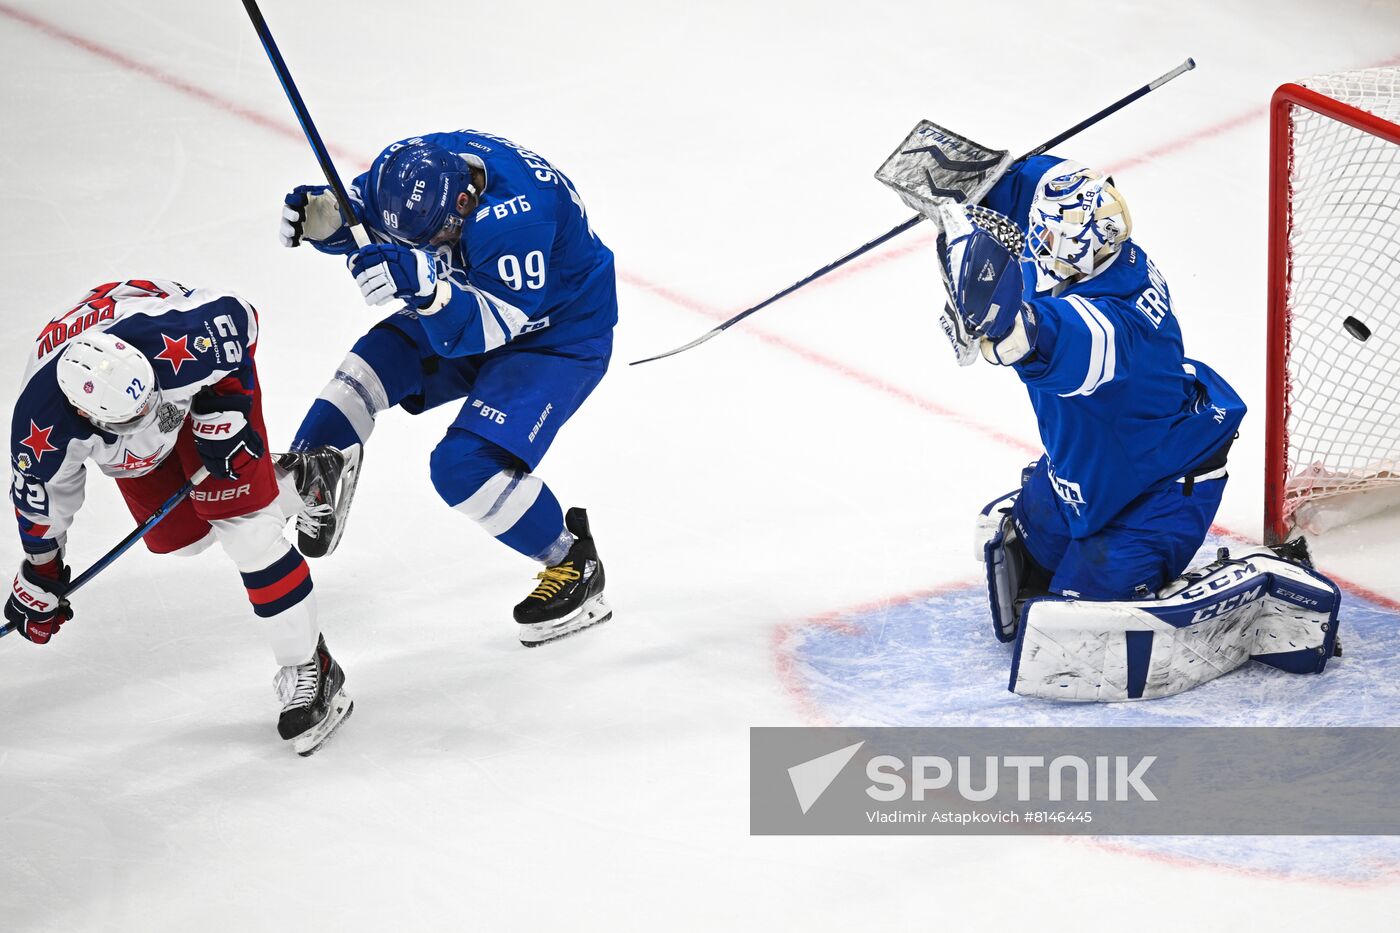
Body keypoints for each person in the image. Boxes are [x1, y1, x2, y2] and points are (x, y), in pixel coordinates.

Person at [277, 130, 615, 646]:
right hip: (468, 300)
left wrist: (427, 287)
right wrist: (330, 223)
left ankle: (573, 562)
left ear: (465, 199)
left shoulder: (520, 218)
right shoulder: (411, 169)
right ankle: (318, 470)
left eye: (437, 237)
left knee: (462, 469)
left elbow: (484, 332)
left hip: (554, 336)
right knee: (363, 373)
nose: (430, 247)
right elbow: (369, 219)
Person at [6, 279, 352, 755]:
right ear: (87, 417)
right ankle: (301, 479)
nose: (152, 415)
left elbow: (241, 316)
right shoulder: (40, 430)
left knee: (246, 532)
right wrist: (42, 574)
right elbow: (42, 506)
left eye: (147, 399)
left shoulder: (169, 340)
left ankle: (310, 665)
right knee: (183, 538)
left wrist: (224, 407)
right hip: (137, 446)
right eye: (133, 417)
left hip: (196, 390)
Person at [938, 157, 1246, 637]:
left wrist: (1007, 329)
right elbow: (1043, 192)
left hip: (1155, 491)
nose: (1034, 241)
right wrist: (983, 182)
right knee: (1019, 562)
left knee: (1074, 631)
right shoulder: (1087, 252)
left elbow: (1052, 338)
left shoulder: (1118, 321)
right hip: (1089, 473)